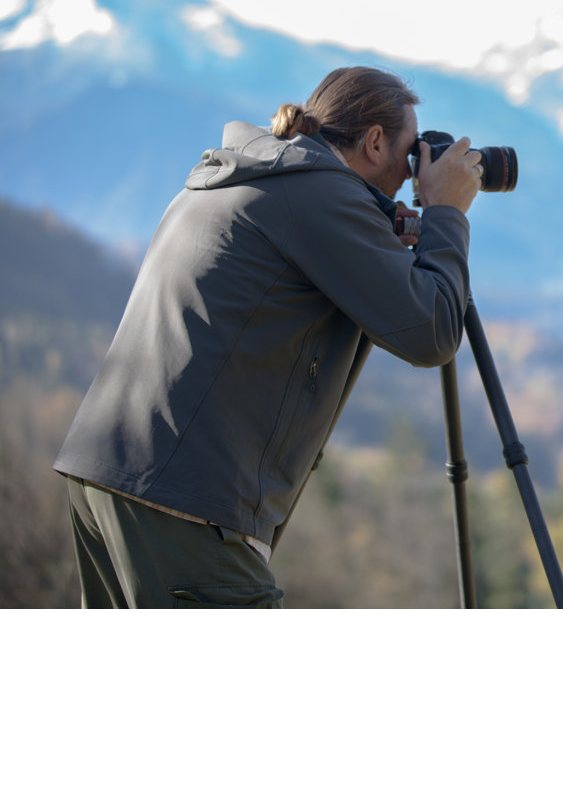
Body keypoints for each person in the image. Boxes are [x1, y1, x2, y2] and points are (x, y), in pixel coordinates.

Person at [54, 65, 482, 608]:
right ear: (374, 141)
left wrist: (378, 235)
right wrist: (445, 215)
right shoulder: (319, 194)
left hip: (109, 473)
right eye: (407, 156)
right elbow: (433, 332)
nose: (410, 176)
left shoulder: (247, 175)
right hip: (188, 497)